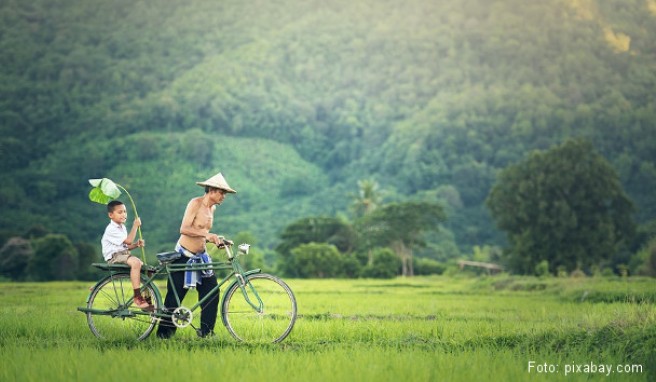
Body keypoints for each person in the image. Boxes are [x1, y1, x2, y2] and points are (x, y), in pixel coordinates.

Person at [156, 172, 236, 339]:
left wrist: (217, 239)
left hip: (201, 257)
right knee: (174, 297)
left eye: (225, 194)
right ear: (212, 190)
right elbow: (184, 229)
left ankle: (206, 333)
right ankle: (164, 336)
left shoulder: (212, 208)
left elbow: (203, 232)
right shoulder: (195, 203)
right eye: (222, 192)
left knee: (212, 292)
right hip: (183, 256)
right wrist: (208, 236)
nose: (224, 196)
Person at [101, 200, 151, 309]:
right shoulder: (111, 229)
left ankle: (148, 298)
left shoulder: (122, 227)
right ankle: (137, 296)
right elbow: (128, 241)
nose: (124, 214)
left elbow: (126, 246)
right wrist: (135, 226)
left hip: (123, 254)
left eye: (125, 211)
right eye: (120, 212)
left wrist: (136, 244)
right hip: (114, 257)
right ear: (111, 215)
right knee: (136, 262)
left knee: (148, 270)